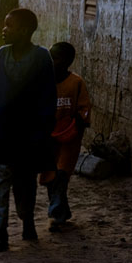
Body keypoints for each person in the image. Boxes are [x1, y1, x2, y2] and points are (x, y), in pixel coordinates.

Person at [0, 8, 57, 252]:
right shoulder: (1, 55)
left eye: (10, 26)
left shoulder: (41, 57)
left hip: (30, 135)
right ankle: (2, 233)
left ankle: (27, 222)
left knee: (25, 183)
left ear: (26, 30)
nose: (4, 29)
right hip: (3, 134)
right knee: (1, 181)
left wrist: (42, 132)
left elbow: (48, 98)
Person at [39, 42, 91, 232]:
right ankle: (62, 212)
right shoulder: (43, 83)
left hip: (69, 138)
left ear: (68, 61)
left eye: (58, 58)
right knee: (50, 176)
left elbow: (84, 108)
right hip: (48, 137)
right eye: (51, 57)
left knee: (62, 175)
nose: (53, 62)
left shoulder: (76, 83)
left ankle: (55, 213)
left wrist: (78, 123)